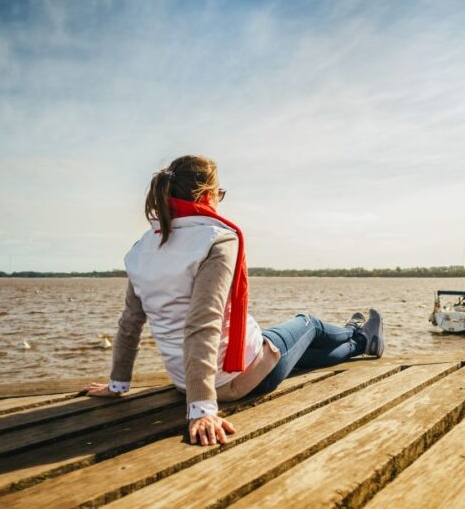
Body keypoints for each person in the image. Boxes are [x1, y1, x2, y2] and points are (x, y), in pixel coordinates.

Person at [82, 155, 384, 446]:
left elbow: (130, 323)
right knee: (308, 323)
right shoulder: (216, 238)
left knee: (301, 355)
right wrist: (202, 409)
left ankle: (361, 343)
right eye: (219, 194)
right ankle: (356, 334)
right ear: (207, 195)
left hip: (184, 382)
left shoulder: (142, 247)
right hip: (234, 380)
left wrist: (117, 385)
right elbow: (203, 323)